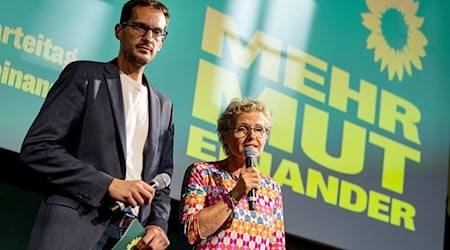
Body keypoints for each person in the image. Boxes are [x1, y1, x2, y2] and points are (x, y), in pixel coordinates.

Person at [19, 0, 173, 249]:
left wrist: (157, 224)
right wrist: (108, 185)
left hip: (129, 238)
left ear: (162, 41)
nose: (148, 37)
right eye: (139, 27)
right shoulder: (85, 76)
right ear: (119, 31)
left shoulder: (164, 106)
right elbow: (38, 147)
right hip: (74, 225)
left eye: (157, 32)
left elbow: (163, 178)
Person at [179, 98, 286, 249]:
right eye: (243, 129)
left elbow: (277, 245)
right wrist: (236, 193)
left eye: (259, 130)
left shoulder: (272, 188)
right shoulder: (203, 172)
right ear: (224, 137)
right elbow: (191, 231)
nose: (252, 137)